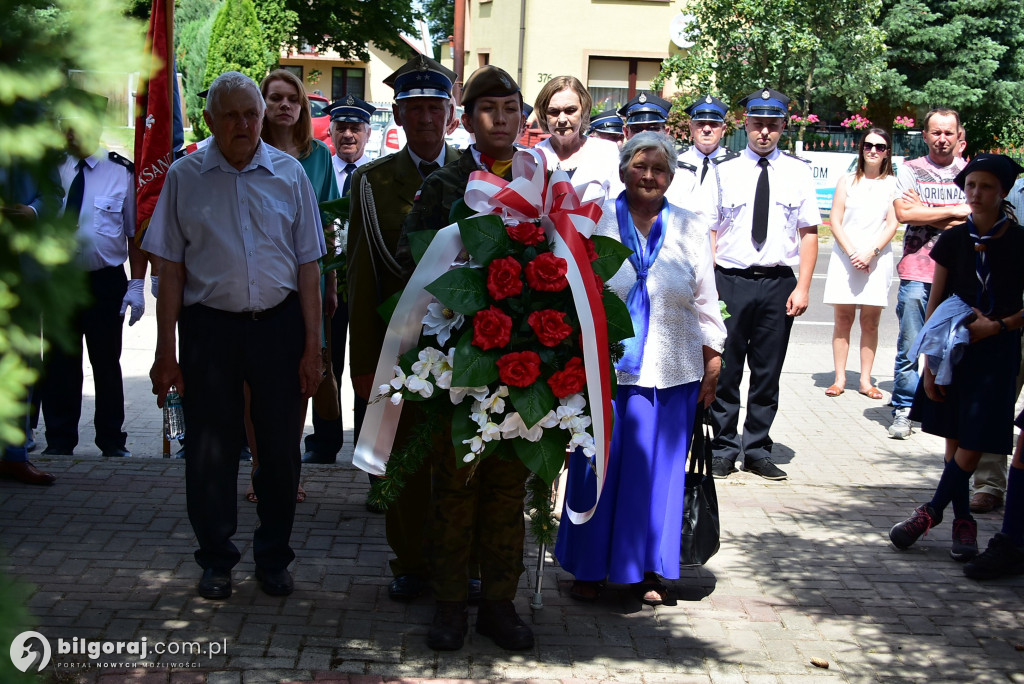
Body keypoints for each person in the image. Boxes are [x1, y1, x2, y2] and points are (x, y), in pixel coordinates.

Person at [143, 71, 326, 600]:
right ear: (209, 121)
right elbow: (171, 270)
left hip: (278, 327)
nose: (245, 124)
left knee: (280, 452)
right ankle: (216, 559)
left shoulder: (290, 175)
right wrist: (165, 353)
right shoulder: (184, 176)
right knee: (210, 451)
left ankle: (273, 558)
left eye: (252, 114)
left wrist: (312, 348)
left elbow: (310, 267)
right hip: (210, 332)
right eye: (232, 115)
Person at [555, 132, 725, 604]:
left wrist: (714, 357)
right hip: (606, 369)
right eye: (640, 166)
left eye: (660, 169)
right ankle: (588, 568)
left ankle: (650, 569)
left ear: (671, 177)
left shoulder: (691, 226)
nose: (649, 176)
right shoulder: (597, 221)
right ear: (624, 168)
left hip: (672, 370)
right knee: (596, 466)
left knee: (658, 473)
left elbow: (707, 299)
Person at [399, 64, 534, 652]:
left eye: (510, 109)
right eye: (488, 110)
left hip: (525, 361)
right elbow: (417, 262)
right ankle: (451, 605)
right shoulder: (445, 185)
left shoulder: (540, 179)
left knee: (508, 487)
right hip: (457, 360)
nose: (500, 120)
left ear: (522, 117)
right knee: (454, 486)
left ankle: (499, 604)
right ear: (468, 118)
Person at [347, 54, 465, 602]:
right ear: (398, 113)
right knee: (404, 457)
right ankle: (412, 562)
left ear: (450, 113)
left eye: (434, 108)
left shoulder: (478, 175)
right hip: (402, 341)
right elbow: (364, 278)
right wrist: (365, 363)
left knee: (465, 457)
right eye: (413, 109)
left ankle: (464, 562)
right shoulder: (373, 183)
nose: (424, 119)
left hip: (466, 342)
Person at [889, 154, 1024, 563]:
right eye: (971, 186)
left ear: (1003, 192)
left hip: (999, 351)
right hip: (954, 351)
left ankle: (931, 510)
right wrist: (929, 363)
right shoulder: (952, 240)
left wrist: (998, 326)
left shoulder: (1020, 242)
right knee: (955, 434)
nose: (977, 194)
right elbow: (934, 306)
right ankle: (962, 522)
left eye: (986, 187)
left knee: (979, 435)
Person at [708, 87, 820, 481]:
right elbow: (710, 232)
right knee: (726, 369)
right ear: (745, 125)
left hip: (777, 283)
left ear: (783, 126)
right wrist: (709, 288)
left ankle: (756, 448)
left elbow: (808, 233)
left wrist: (803, 287)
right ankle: (722, 448)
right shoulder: (723, 171)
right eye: (758, 125)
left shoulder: (799, 172)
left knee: (768, 371)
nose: (764, 133)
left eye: (773, 125)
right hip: (730, 281)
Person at [39, 95, 146, 459]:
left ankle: (112, 440)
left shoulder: (122, 172)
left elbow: (135, 233)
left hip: (105, 281)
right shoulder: (52, 169)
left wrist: (136, 283)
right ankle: (59, 439)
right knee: (59, 361)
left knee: (106, 362)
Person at [889, 108, 968, 439]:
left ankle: (944, 410)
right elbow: (905, 213)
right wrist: (953, 211)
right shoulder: (910, 170)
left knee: (954, 347)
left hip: (959, 276)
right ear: (925, 136)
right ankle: (904, 410)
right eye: (936, 132)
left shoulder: (969, 171)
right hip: (917, 271)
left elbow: (974, 216)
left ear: (958, 135)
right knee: (911, 345)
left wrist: (928, 213)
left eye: (948, 132)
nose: (942, 138)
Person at [822, 128, 899, 398]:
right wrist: (854, 252)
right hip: (846, 258)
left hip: (876, 260)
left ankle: (866, 381)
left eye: (880, 146)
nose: (873, 150)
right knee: (843, 320)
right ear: (861, 148)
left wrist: (871, 253)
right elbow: (835, 220)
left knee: (871, 323)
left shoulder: (892, 185)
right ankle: (839, 378)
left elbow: (892, 223)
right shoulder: (846, 181)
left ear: (887, 152)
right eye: (868, 145)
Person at [532, 76, 621, 199]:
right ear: (543, 114)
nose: (562, 119)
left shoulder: (608, 152)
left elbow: (617, 208)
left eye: (570, 110)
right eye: (554, 111)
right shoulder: (532, 157)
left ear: (583, 111)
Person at [679, 95, 737, 187]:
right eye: (701, 123)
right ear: (691, 129)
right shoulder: (676, 161)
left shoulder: (735, 164)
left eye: (714, 124)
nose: (706, 129)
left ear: (723, 130)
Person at [327, 95, 375, 197]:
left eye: (355, 129)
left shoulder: (377, 173)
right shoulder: (323, 172)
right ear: (331, 133)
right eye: (341, 128)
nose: (347, 135)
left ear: (368, 134)